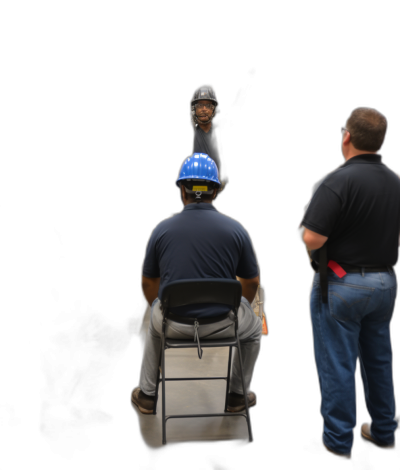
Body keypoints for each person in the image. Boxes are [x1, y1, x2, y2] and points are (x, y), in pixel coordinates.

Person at [299, 107, 400, 460]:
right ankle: (385, 432)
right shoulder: (396, 181)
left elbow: (312, 238)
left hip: (342, 284)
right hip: (385, 284)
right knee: (379, 360)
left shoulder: (335, 182)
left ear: (347, 137)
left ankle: (339, 443)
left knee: (338, 364)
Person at [131, 153, 262, 414]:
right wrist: (240, 308)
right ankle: (236, 396)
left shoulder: (161, 230)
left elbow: (148, 284)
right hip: (223, 325)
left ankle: (147, 395)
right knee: (254, 329)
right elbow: (251, 282)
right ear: (215, 191)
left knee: (151, 317)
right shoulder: (236, 230)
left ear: (182, 190)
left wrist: (161, 308)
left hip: (173, 325)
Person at [189, 85, 229, 198]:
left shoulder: (221, 136)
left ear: (213, 109)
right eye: (200, 105)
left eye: (208, 105)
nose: (204, 109)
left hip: (218, 195)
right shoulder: (192, 134)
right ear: (194, 109)